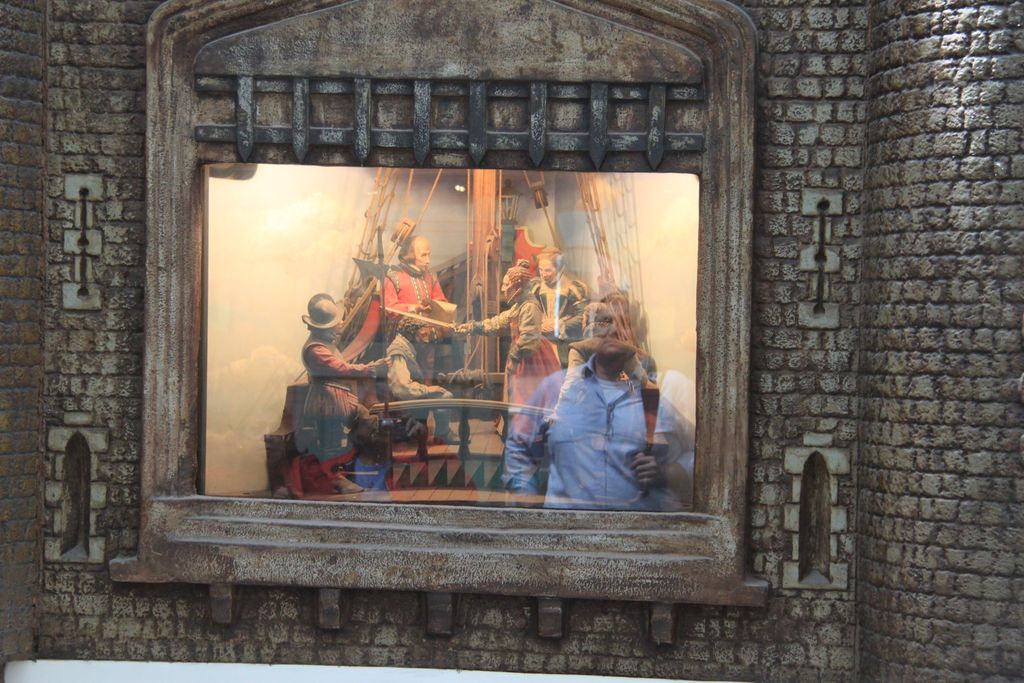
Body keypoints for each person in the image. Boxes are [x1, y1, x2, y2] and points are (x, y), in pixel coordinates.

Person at [503, 301, 688, 511]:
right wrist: (527, 501)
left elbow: (694, 453)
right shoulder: (556, 388)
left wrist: (665, 474)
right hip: (566, 526)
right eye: (603, 330)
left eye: (616, 330)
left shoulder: (651, 398)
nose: (609, 337)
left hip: (637, 527)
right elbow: (519, 445)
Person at [300, 293, 389, 491]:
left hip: (338, 399)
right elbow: (341, 368)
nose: (339, 327)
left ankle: (355, 470)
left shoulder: (324, 345)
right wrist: (370, 369)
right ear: (321, 328)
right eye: (334, 326)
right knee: (332, 444)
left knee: (366, 425)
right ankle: (334, 479)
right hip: (328, 402)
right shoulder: (315, 350)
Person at [454, 259, 561, 407]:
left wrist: (514, 358)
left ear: (517, 286)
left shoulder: (529, 306)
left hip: (530, 360)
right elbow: (498, 322)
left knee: (529, 399)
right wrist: (473, 327)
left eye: (506, 285)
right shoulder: (520, 304)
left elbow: (528, 340)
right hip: (521, 356)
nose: (503, 288)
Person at [386, 317, 454, 441]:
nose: (426, 340)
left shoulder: (406, 347)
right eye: (423, 335)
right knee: (445, 396)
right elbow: (401, 387)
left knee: (442, 394)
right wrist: (427, 390)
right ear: (411, 334)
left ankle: (441, 434)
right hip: (405, 399)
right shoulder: (398, 351)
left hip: (412, 395)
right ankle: (443, 435)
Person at [530, 248, 588, 364]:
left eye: (548, 270)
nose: (543, 274)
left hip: (564, 340)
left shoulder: (572, 288)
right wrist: (540, 323)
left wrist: (559, 324)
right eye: (541, 270)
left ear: (560, 269)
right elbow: (530, 310)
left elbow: (583, 315)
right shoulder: (536, 287)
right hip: (541, 338)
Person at [383, 235, 447, 316]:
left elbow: (441, 303)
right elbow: (389, 309)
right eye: (423, 255)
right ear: (410, 255)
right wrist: (412, 308)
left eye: (428, 255)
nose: (428, 261)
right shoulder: (392, 278)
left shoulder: (431, 277)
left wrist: (439, 308)